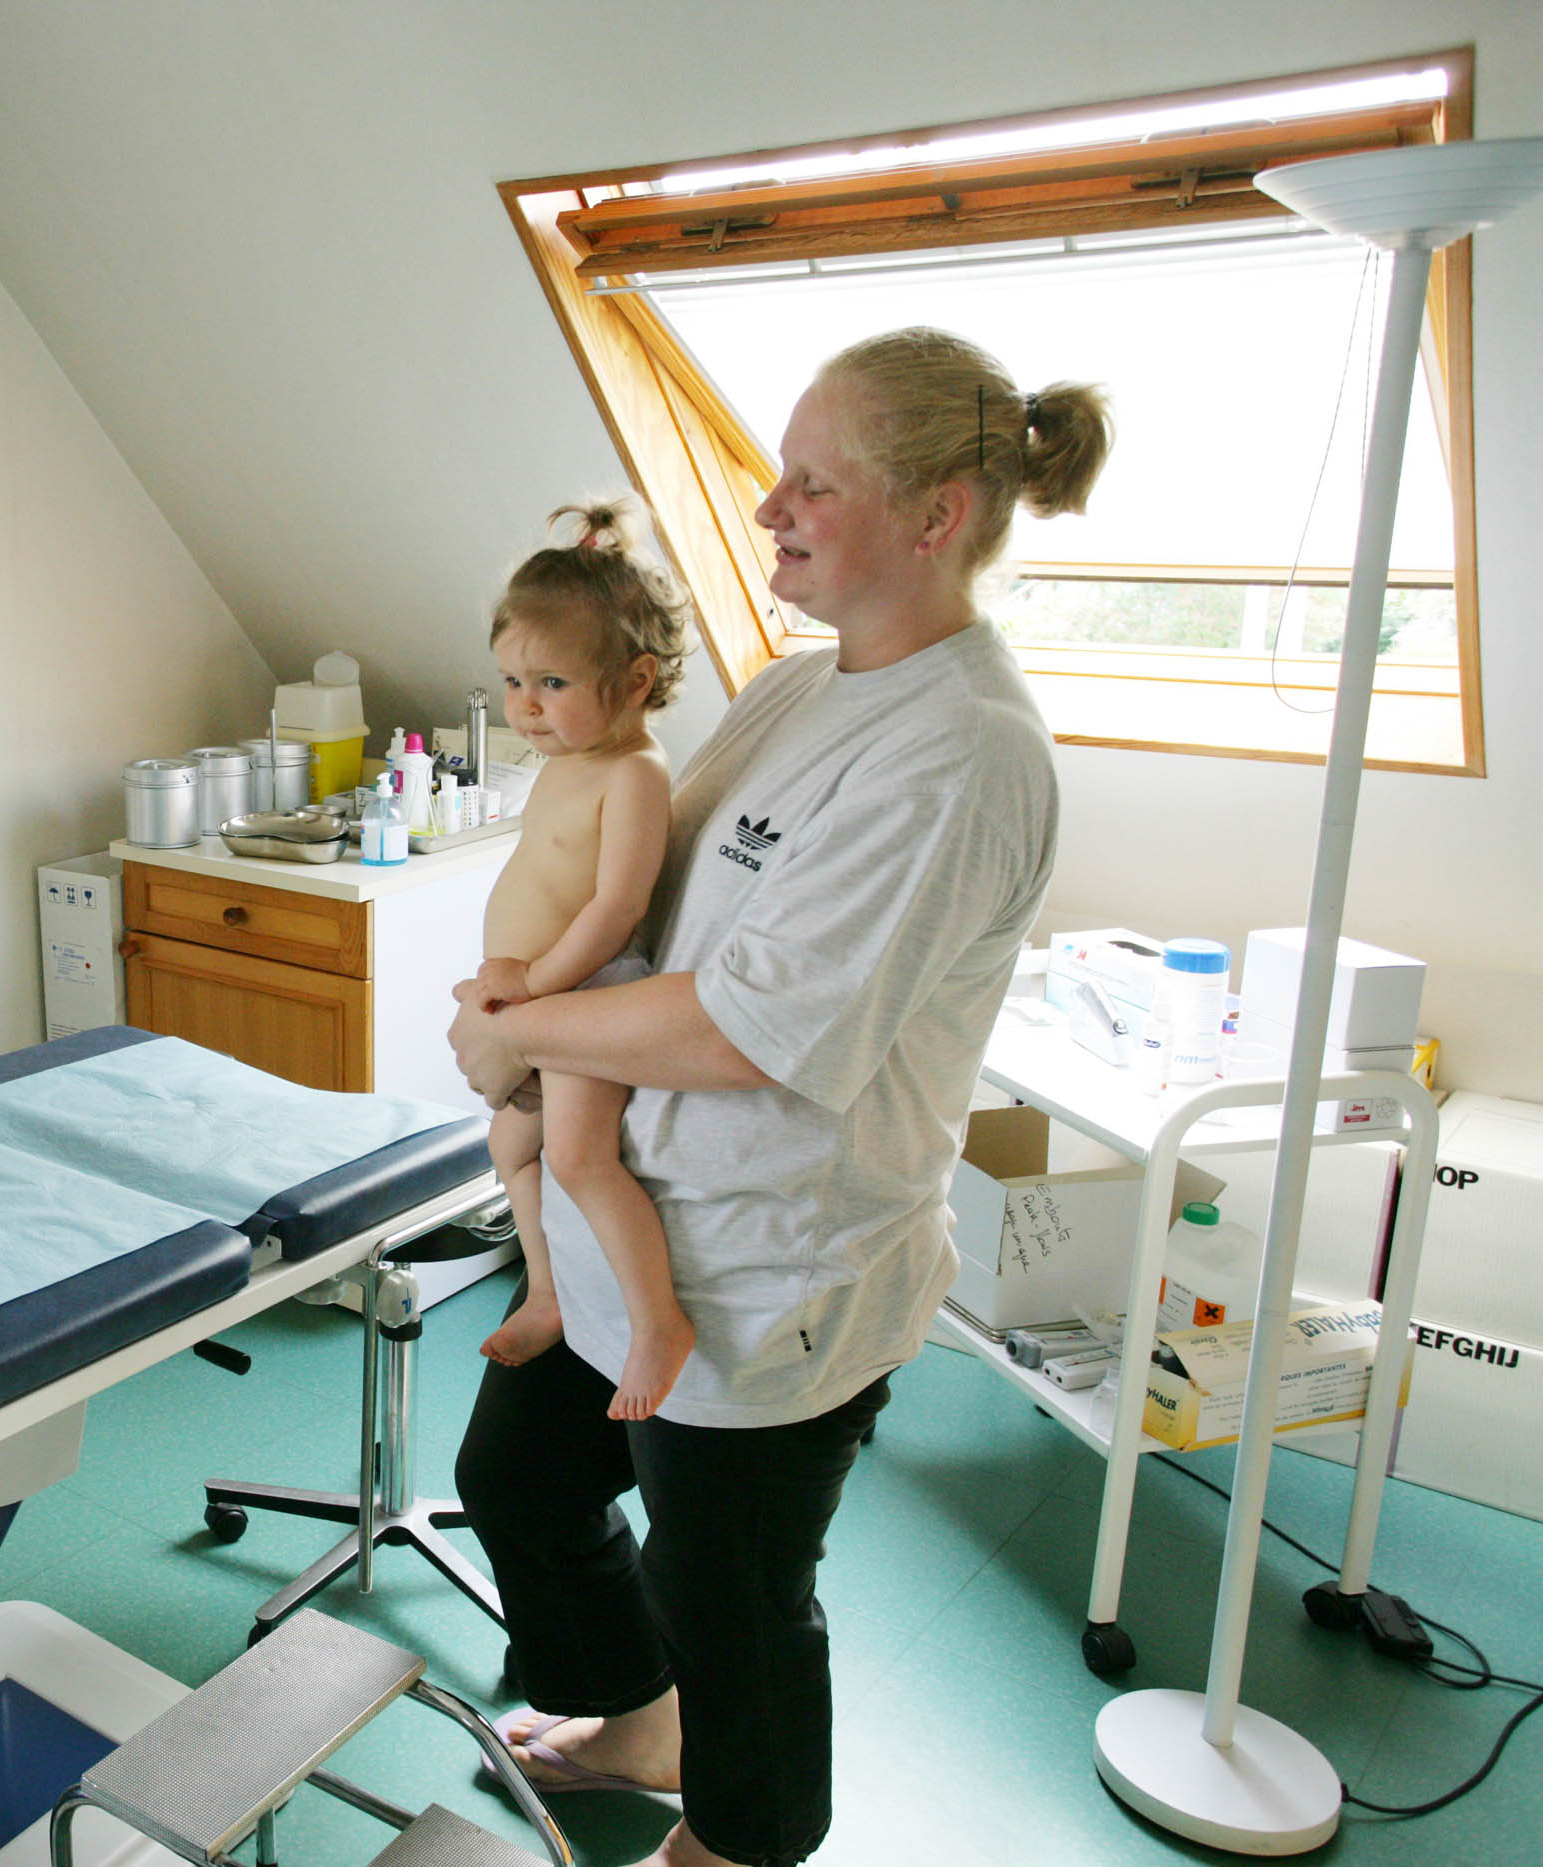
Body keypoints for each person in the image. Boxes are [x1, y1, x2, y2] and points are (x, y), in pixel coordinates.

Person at [446, 328, 1111, 1867]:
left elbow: (751, 1024)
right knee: (518, 1476)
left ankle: (741, 1840)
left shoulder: (963, 752)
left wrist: (519, 1031)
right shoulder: (798, 690)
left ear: (937, 514)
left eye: (814, 482)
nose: (768, 508)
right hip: (636, 1221)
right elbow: (652, 908)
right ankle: (639, 1718)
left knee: (733, 1601)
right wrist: (528, 1008)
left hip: (769, 1272)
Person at [470, 500, 694, 1422]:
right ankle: (550, 1291)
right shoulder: (566, 754)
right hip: (540, 998)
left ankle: (658, 1321)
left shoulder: (635, 773)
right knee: (509, 1145)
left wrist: (533, 988)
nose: (526, 705)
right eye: (514, 680)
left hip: (589, 994)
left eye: (552, 682)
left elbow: (616, 907)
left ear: (636, 680)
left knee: (578, 1156)